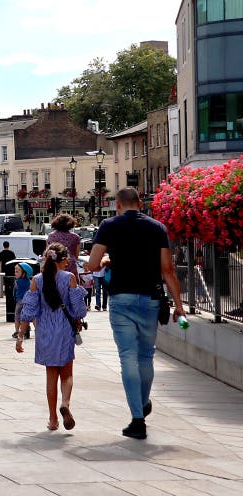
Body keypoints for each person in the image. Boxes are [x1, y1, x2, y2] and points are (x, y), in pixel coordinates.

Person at [86, 187, 185, 440]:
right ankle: (142, 403)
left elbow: (94, 264)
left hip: (121, 298)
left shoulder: (109, 225)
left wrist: (102, 262)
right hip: (150, 298)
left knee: (127, 356)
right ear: (140, 203)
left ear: (118, 204)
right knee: (146, 356)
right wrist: (179, 306)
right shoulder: (157, 227)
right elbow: (168, 269)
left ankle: (137, 419)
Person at [16, 242, 86, 432]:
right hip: (64, 331)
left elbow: (29, 311)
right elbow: (79, 310)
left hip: (44, 331)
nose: (67, 264)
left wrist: (21, 335)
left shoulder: (37, 280)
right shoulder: (70, 278)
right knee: (67, 373)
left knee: (50, 376)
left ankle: (53, 418)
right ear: (63, 260)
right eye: (66, 261)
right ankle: (65, 403)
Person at [47, 213, 80, 280]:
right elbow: (76, 255)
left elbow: (48, 254)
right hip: (70, 264)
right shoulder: (75, 237)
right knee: (72, 285)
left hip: (55, 265)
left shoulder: (51, 236)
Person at [12, 262, 33, 340]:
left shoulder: (17, 282)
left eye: (17, 272)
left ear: (24, 273)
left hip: (19, 301)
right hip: (28, 302)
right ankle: (27, 329)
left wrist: (14, 297)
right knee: (26, 316)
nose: (15, 273)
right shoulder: (30, 282)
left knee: (17, 317)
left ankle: (17, 331)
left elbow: (14, 291)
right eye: (15, 271)